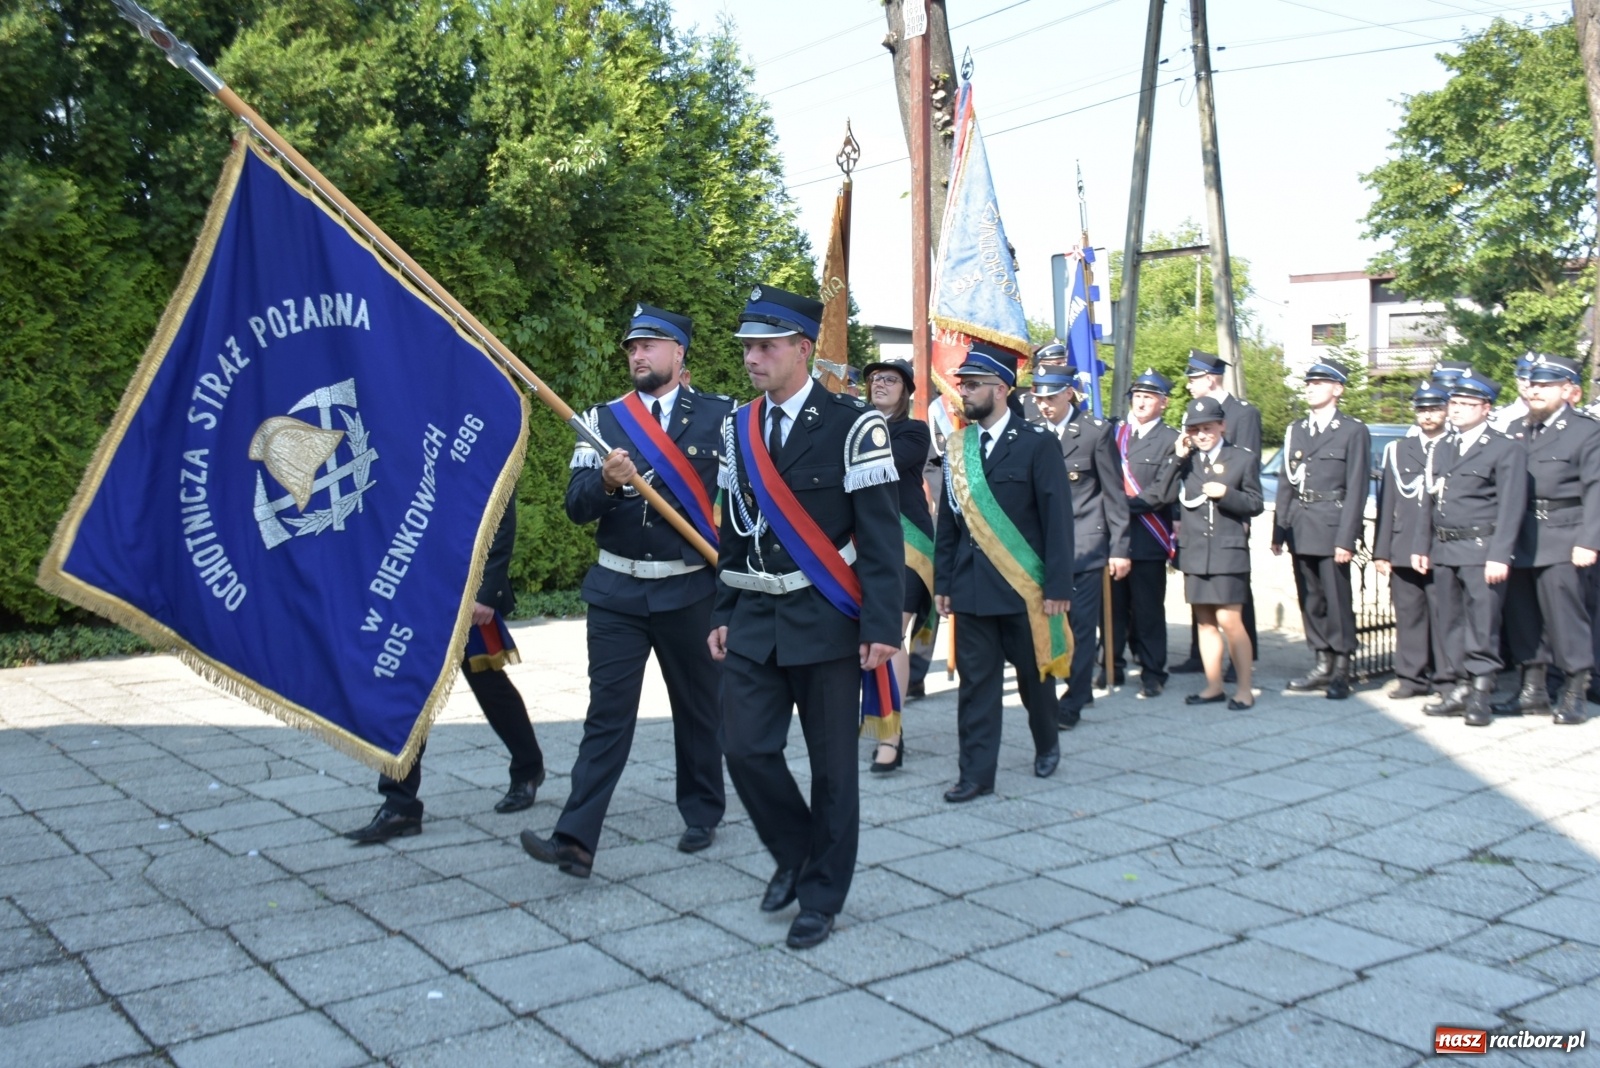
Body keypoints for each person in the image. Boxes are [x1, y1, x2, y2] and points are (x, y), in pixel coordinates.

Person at [708, 284, 902, 950]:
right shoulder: (738, 427)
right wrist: (724, 607)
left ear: (801, 349)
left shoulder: (856, 425)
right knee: (744, 748)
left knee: (832, 770)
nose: (752, 359)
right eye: (746, 348)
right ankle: (795, 853)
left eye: (764, 347)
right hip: (757, 616)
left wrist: (881, 626)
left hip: (827, 620)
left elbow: (881, 538)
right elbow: (734, 530)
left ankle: (821, 895)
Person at [520, 304, 729, 879]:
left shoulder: (723, 418)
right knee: (607, 716)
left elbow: (739, 509)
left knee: (699, 710)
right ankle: (576, 839)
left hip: (690, 592)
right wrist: (606, 485)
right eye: (633, 346)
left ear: (679, 353)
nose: (638, 354)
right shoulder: (601, 420)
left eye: (651, 345)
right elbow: (575, 505)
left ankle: (703, 811)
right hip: (617, 592)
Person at [346, 502, 544, 843]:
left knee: (488, 685)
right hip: (411, 586)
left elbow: (499, 512)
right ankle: (400, 802)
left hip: (464, 585)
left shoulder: (478, 445)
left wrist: (487, 591)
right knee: (405, 689)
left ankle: (528, 768)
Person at [935, 342, 1074, 802]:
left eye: (972, 385)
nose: (964, 393)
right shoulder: (959, 447)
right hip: (973, 589)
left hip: (1023, 590)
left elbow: (1057, 521)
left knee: (1036, 678)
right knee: (976, 687)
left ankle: (1046, 742)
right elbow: (950, 524)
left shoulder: (1037, 444)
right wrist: (943, 583)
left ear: (1001, 388)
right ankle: (975, 774)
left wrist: (1058, 586)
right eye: (962, 385)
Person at [1415, 370, 1527, 726]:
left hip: (1482, 548)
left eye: (1467, 404)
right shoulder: (1443, 446)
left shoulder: (1504, 447)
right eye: (1455, 403)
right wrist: (1423, 544)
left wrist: (1500, 553)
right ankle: (1459, 686)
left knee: (1483, 623)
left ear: (1486, 408)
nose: (1458, 409)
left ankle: (1481, 691)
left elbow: (1512, 505)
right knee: (1449, 621)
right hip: (1446, 548)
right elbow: (1429, 501)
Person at [1493, 354, 1600, 725]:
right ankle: (1532, 691)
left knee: (1566, 620)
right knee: (1524, 619)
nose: (1535, 391)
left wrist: (1589, 541)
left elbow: (1596, 489)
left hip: (1564, 536)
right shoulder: (1518, 430)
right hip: (1521, 537)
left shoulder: (1586, 431)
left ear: (1569, 390)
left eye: (1546, 385)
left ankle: (1574, 692)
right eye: (1533, 384)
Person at [1026, 343, 1130, 726]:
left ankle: (1076, 696)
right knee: (1047, 621)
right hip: (1041, 546)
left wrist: (1120, 548)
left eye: (1050, 397)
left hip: (1085, 543)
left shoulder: (1093, 434)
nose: (1043, 405)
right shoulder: (1031, 433)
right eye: (1038, 398)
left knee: (1082, 624)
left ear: (1068, 393)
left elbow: (1114, 495)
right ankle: (1048, 685)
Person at [1149, 397, 1263, 708]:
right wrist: (1176, 458)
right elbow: (1163, 494)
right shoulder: (1187, 461)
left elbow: (1255, 503)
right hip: (1196, 552)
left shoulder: (1241, 458)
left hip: (1228, 552)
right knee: (1204, 621)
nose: (1202, 434)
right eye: (1195, 429)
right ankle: (1213, 686)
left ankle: (1243, 688)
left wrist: (1228, 494)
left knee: (1230, 620)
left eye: (1208, 427)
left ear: (1222, 426)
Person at [1272, 360, 1370, 700]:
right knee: (1310, 597)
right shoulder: (1297, 429)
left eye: (1320, 382)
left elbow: (1356, 488)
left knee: (1337, 599)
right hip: (1301, 523)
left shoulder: (1352, 430)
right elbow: (1287, 480)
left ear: (1337, 389)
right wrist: (1279, 530)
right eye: (1309, 382)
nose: (1311, 387)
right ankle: (1321, 661)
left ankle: (1342, 666)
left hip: (1332, 524)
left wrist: (1347, 537)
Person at [862, 357, 934, 770]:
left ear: (905, 390)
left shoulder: (913, 430)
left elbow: (878, 463)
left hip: (908, 545)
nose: (880, 385)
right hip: (868, 546)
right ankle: (875, 720)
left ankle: (890, 734)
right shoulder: (856, 424)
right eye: (875, 379)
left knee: (890, 633)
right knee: (870, 634)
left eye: (890, 380)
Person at [1173, 350, 1262, 676]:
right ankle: (1203, 657)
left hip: (1228, 515)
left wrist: (1243, 516)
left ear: (1210, 377)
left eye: (1193, 379)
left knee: (1234, 601)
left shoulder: (1242, 413)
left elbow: (1247, 464)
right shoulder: (1194, 415)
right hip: (1200, 518)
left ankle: (1240, 662)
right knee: (1204, 606)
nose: (1189, 386)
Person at [1373, 384, 1454, 699]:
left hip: (1441, 545)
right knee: (1409, 614)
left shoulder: (1454, 446)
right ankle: (1411, 677)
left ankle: (1446, 678)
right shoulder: (1399, 449)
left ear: (1446, 410)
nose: (1428, 415)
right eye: (1422, 409)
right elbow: (1387, 502)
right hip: (1403, 543)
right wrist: (1382, 551)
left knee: (1445, 614)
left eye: (1434, 409)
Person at [1109, 370, 1180, 698]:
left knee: (1149, 610)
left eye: (1149, 397)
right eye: (1137, 395)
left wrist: (1115, 505)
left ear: (1163, 403)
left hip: (1148, 538)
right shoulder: (1114, 433)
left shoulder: (1171, 439)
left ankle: (1153, 671)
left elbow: (1163, 493)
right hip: (1112, 538)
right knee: (1112, 609)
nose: (1141, 401)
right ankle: (1112, 666)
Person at [1487, 355, 1534, 433]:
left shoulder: (1556, 415)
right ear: (1516, 380)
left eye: (1533, 380)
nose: (1527, 384)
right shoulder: (1497, 416)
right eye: (1522, 379)